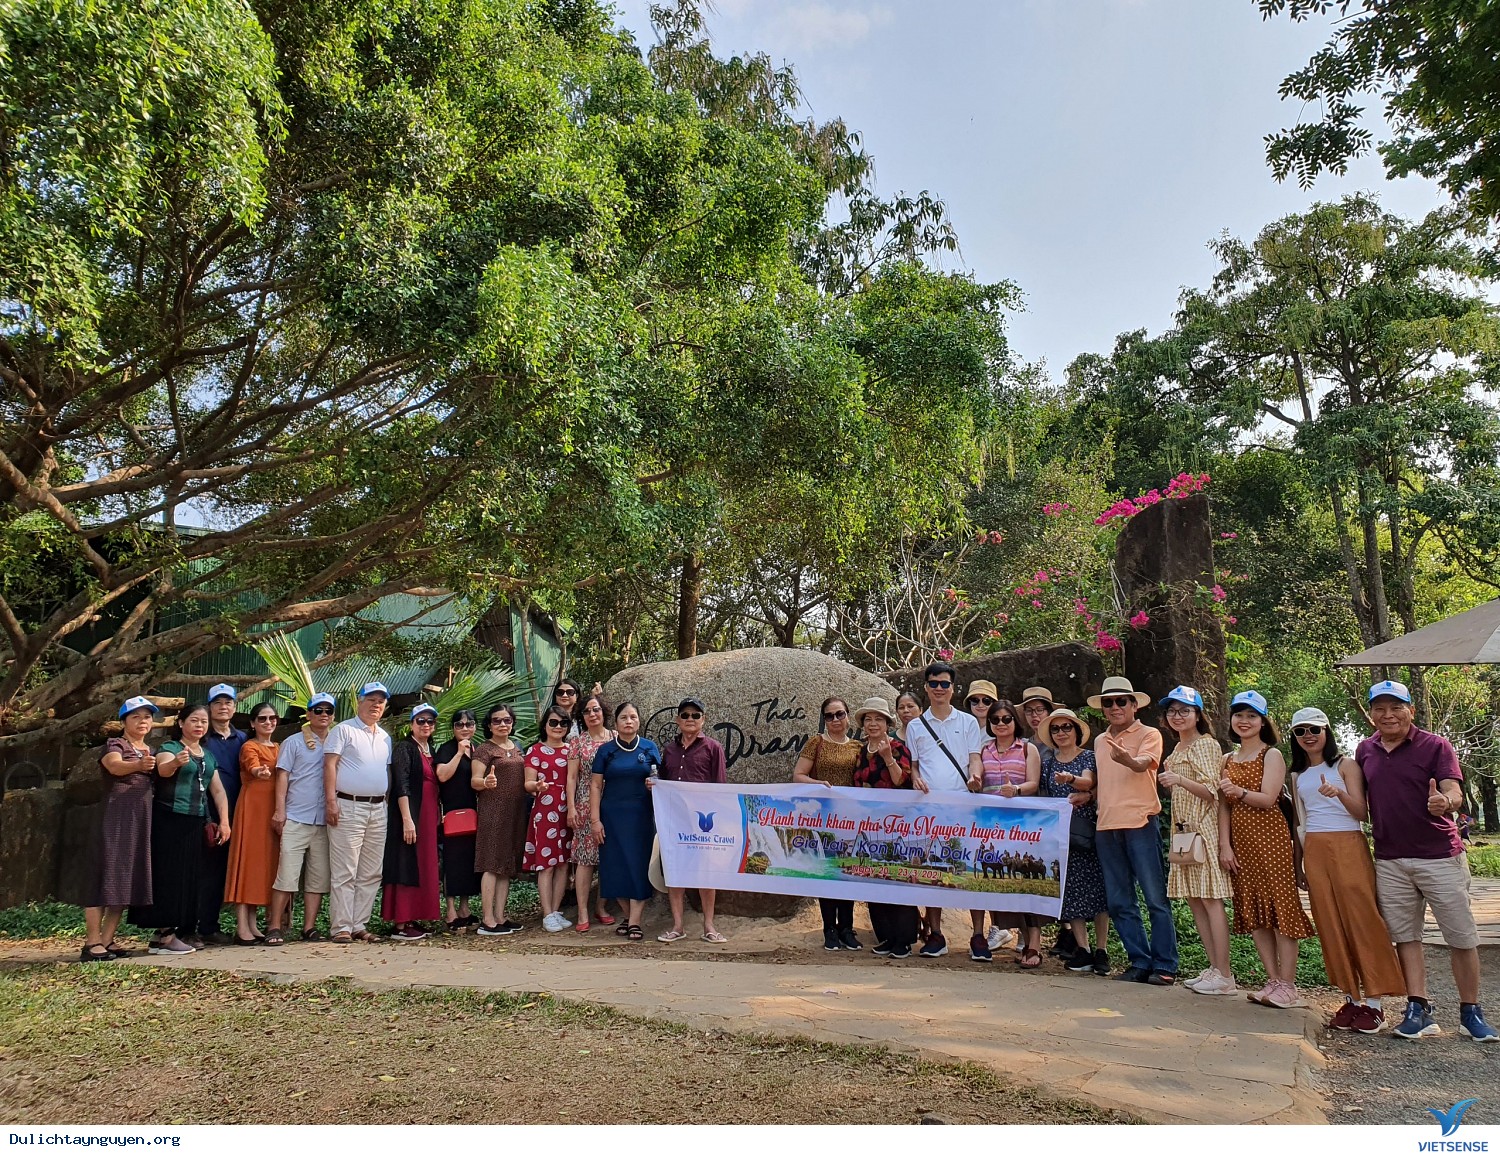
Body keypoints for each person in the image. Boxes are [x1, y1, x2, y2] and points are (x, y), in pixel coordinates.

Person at [1353, 680, 1495, 1042]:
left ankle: (1471, 1012)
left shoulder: (1436, 745)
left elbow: (1453, 789)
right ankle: (1418, 1009)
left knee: (1461, 936)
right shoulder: (1365, 750)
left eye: (1396, 707)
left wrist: (1446, 802)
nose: (1388, 715)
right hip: (1390, 859)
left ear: (1411, 711)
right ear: (1371, 714)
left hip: (1439, 856)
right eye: (1380, 708)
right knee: (1405, 936)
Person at [1287, 706, 1405, 1033]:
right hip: (1315, 849)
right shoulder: (1297, 775)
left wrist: (1338, 792)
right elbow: (1299, 823)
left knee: (1362, 918)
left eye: (1314, 729)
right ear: (1294, 737)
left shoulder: (1345, 765)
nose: (1308, 736)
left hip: (1348, 844)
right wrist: (1298, 865)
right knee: (1329, 921)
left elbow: (1361, 812)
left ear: (1326, 731)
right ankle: (1352, 997)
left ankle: (1375, 1004)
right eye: (1300, 731)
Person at [1218, 690, 1313, 1009]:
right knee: (1255, 911)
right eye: (1239, 715)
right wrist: (1225, 845)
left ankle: (1288, 984)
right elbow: (1223, 806)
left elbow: (1269, 798)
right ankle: (1272, 980)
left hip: (1271, 841)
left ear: (1263, 722)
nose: (1244, 721)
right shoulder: (1227, 759)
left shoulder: (1270, 755)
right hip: (1241, 844)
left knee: (1281, 908)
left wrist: (1239, 790)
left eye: (1252, 716)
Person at [1089, 675, 1178, 985]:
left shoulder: (1149, 733)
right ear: (1102, 708)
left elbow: (1144, 764)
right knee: (1119, 901)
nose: (1115, 707)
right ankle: (1139, 961)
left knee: (1155, 898)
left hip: (1140, 822)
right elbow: (1103, 781)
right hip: (1106, 825)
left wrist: (1128, 759)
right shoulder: (1100, 741)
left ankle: (1164, 964)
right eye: (1108, 702)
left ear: (1134, 705)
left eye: (1121, 701)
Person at [131, 703, 231, 955]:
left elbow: (218, 791)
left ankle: (177, 932)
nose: (199, 725)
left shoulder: (208, 755)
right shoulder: (171, 748)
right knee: (168, 875)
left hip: (195, 821)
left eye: (204, 721)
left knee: (190, 878)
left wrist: (225, 821)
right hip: (169, 818)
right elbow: (162, 770)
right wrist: (176, 762)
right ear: (181, 723)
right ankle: (165, 934)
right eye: (194, 720)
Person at [1156, 686, 1236, 996]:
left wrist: (1178, 779)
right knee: (1195, 899)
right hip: (1183, 832)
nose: (1177, 716)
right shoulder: (1178, 748)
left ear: (1198, 715)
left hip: (1202, 830)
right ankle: (1214, 968)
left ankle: (1225, 973)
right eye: (1172, 711)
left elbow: (1211, 791)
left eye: (1184, 711)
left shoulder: (1205, 744)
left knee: (1211, 900)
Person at [902, 661, 984, 961]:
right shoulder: (915, 726)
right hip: (929, 808)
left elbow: (975, 757)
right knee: (932, 869)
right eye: (934, 683)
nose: (939, 689)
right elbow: (914, 765)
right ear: (926, 688)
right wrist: (914, 778)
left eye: (944, 684)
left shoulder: (968, 722)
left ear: (953, 688)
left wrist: (976, 776)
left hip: (963, 804)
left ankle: (978, 935)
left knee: (970, 868)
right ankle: (936, 934)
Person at [82, 697, 159, 962]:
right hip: (114, 821)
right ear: (124, 722)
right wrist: (137, 765)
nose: (142, 721)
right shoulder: (116, 744)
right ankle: (91, 942)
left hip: (139, 823)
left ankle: (107, 939)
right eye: (136, 716)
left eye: (147, 716)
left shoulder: (150, 750)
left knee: (124, 881)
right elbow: (113, 765)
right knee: (102, 878)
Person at [1041, 708, 1111, 977]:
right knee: (1070, 891)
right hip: (1062, 836)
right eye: (1055, 729)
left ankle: (1102, 949)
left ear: (1077, 730)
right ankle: (1083, 948)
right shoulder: (1048, 764)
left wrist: (1071, 780)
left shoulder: (1088, 757)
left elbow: (1088, 782)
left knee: (1098, 892)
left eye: (1066, 727)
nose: (1061, 733)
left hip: (1088, 832)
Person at [978, 700, 1045, 968]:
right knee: (1006, 882)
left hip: (1023, 826)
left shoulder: (1028, 748)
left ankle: (1035, 943)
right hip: (993, 826)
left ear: (1015, 721)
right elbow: (978, 780)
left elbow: (1033, 783)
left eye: (1006, 719)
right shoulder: (984, 749)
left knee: (1027, 881)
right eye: (995, 720)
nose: (1001, 724)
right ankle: (1019, 939)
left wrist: (1015, 790)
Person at [324, 682, 393, 945]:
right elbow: (330, 765)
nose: (376, 705)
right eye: (371, 699)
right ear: (359, 702)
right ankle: (341, 926)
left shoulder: (385, 737)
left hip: (378, 807)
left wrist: (385, 801)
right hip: (348, 805)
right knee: (345, 869)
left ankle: (358, 924)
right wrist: (331, 801)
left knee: (372, 871)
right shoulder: (343, 730)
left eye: (381, 701)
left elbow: (385, 771)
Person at [792, 695, 863, 951]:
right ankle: (829, 929)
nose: (835, 719)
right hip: (824, 818)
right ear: (824, 720)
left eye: (840, 714)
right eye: (830, 716)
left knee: (847, 872)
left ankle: (847, 928)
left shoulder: (858, 747)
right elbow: (798, 775)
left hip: (850, 819)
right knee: (826, 872)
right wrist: (818, 784)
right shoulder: (816, 743)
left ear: (848, 716)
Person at [850, 697, 919, 959]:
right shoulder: (860, 751)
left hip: (896, 824)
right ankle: (887, 936)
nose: (873, 724)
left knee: (898, 879)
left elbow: (902, 781)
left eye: (878, 719)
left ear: (887, 723)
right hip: (869, 825)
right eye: (868, 719)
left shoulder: (898, 747)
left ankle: (904, 938)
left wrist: (888, 757)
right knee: (875, 880)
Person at [658, 697, 729, 944]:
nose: (690, 719)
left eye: (695, 715)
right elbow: (662, 782)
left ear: (703, 719)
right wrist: (653, 785)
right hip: (674, 822)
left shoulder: (713, 748)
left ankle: (709, 926)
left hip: (703, 823)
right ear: (677, 720)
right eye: (685, 715)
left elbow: (720, 786)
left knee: (706, 874)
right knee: (675, 872)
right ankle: (677, 926)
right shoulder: (669, 750)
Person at [591, 702, 664, 942]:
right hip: (611, 817)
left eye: (633, 717)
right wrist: (595, 820)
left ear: (639, 721)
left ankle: (634, 922)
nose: (629, 721)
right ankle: (628, 916)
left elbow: (659, 779)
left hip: (641, 817)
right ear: (616, 723)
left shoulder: (649, 747)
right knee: (615, 868)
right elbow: (595, 785)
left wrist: (654, 785)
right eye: (624, 717)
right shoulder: (606, 751)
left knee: (638, 866)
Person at [268, 692, 335, 945]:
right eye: (318, 710)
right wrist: (280, 810)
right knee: (287, 875)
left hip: (324, 821)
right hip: (296, 816)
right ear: (308, 714)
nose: (323, 715)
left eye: (328, 711)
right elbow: (282, 776)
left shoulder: (337, 741)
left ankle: (309, 927)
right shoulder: (293, 742)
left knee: (318, 878)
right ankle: (275, 926)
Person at [383, 703, 444, 942]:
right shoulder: (405, 748)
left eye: (430, 721)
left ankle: (415, 916)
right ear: (411, 724)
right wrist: (408, 820)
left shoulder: (431, 750)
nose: (426, 725)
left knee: (424, 864)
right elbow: (402, 784)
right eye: (421, 721)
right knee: (406, 862)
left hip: (428, 817)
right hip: (411, 815)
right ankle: (401, 921)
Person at [224, 702, 281, 944]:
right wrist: (259, 771)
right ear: (253, 723)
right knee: (247, 863)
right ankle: (241, 925)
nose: (268, 722)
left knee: (263, 865)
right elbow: (253, 765)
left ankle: (253, 923)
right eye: (262, 719)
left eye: (272, 718)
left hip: (273, 810)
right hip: (252, 809)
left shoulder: (279, 747)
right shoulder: (249, 746)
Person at [470, 705, 529, 935]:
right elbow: (474, 780)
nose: (502, 724)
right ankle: (487, 920)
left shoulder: (517, 747)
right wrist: (486, 782)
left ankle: (500, 916)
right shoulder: (484, 749)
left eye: (507, 720)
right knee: (491, 863)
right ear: (489, 724)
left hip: (516, 812)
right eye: (497, 721)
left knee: (506, 865)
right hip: (493, 812)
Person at [196, 682, 246, 945]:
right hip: (204, 814)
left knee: (221, 873)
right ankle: (189, 927)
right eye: (217, 703)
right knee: (202, 872)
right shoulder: (201, 738)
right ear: (209, 707)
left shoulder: (243, 739)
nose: (223, 707)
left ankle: (209, 927)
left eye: (228, 702)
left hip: (238, 814)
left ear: (235, 707)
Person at [1021, 685, 1068, 957]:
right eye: (1029, 711)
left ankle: (1068, 932)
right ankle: (1032, 938)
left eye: (1040, 710)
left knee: (1063, 875)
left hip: (1060, 817)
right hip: (1032, 820)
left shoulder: (1061, 741)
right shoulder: (1024, 744)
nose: (1035, 715)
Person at [566, 693, 617, 932]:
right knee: (585, 859)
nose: (592, 714)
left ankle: (601, 906)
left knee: (609, 856)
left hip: (613, 801)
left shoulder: (616, 738)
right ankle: (583, 911)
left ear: (603, 712)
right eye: (587, 711)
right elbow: (571, 777)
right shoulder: (577, 742)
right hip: (585, 804)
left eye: (595, 709)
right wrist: (571, 807)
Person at [524, 706, 575, 931]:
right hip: (545, 811)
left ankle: (555, 911)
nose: (558, 727)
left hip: (568, 810)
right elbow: (527, 783)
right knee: (546, 864)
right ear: (544, 725)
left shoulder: (571, 750)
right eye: (553, 722)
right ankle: (546, 914)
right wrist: (537, 786)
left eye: (563, 723)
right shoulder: (535, 750)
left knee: (563, 864)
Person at [434, 708, 482, 931]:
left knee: (468, 861)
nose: (464, 728)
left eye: (469, 724)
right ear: (453, 728)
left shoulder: (478, 750)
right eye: (459, 724)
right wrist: (459, 754)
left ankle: (465, 908)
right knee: (452, 861)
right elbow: (442, 775)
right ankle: (451, 911)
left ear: (475, 727)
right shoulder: (446, 749)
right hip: (451, 813)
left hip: (473, 812)